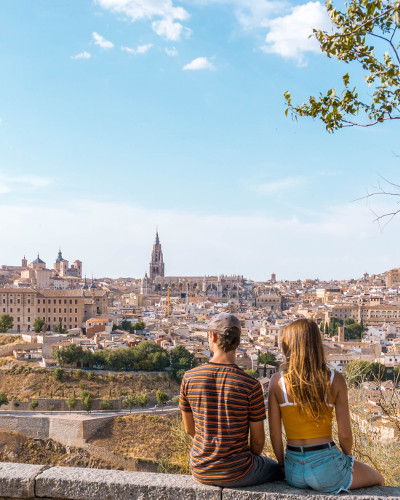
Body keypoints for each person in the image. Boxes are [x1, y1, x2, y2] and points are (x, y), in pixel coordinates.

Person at [268, 318, 385, 493]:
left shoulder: (277, 382)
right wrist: (347, 459)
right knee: (379, 479)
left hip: (294, 472)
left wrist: (283, 466)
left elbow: (275, 435)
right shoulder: (335, 380)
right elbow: (345, 434)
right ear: (316, 343)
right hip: (328, 468)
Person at [179, 312, 282, 487]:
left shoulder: (189, 378)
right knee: (278, 468)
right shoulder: (251, 385)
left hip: (200, 468)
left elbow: (190, 429)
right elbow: (257, 442)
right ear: (238, 341)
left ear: (212, 337)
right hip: (239, 471)